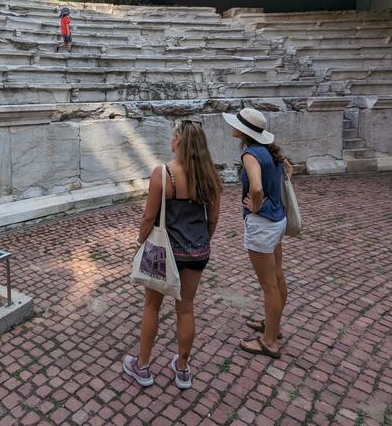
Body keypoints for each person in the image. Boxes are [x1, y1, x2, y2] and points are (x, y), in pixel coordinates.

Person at [123, 120, 223, 390]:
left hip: (164, 252)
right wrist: (201, 242)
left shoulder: (164, 173)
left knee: (152, 306)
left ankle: (142, 366)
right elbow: (213, 219)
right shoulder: (211, 176)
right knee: (186, 309)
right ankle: (182, 369)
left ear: (179, 142)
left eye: (173, 137)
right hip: (197, 251)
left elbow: (148, 217)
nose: (171, 141)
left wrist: (139, 242)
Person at [222, 108, 293, 360]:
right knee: (277, 277)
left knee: (268, 285)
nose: (233, 127)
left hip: (262, 223)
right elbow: (288, 171)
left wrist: (255, 204)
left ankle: (270, 341)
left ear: (244, 131)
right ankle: (272, 326)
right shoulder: (272, 152)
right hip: (277, 220)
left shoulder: (250, 154)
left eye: (236, 124)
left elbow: (256, 187)